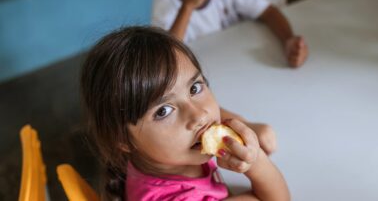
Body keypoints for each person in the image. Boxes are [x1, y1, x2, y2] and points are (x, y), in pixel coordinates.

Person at [80, 26, 290, 200]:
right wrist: (256, 162)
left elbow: (209, 111)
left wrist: (246, 126)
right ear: (122, 138)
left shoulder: (156, 152)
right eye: (164, 111)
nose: (199, 115)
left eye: (195, 88)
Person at [151, 0, 308, 68]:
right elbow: (167, 58)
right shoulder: (165, 1)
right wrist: (188, 6)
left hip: (240, 65)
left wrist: (288, 40)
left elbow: (268, 11)